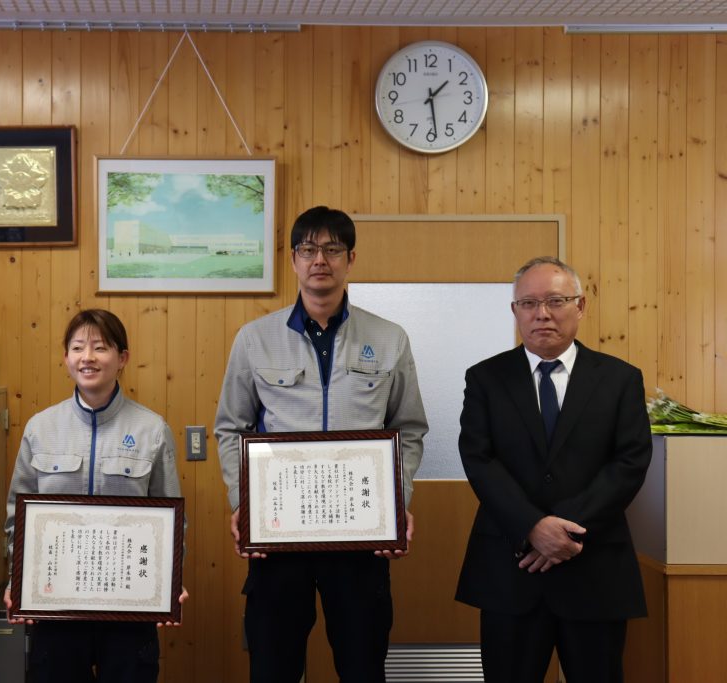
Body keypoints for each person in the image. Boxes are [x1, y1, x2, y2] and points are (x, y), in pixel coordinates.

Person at [214, 206, 428, 682]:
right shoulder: (255, 339)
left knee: (362, 665)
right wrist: (242, 500)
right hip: (278, 537)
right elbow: (231, 428)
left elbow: (409, 428)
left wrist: (398, 501)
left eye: (332, 249)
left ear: (350, 258)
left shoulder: (389, 338)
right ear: (293, 259)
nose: (320, 260)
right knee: (274, 666)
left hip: (360, 537)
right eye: (308, 249)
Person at [455, 256, 652, 683]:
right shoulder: (486, 378)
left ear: (580, 306)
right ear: (515, 312)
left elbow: (630, 461)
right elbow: (478, 457)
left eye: (555, 301)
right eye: (528, 303)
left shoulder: (620, 379)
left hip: (593, 567)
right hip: (511, 571)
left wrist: (564, 529)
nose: (541, 314)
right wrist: (531, 526)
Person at [3, 308, 187, 683]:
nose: (87, 357)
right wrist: (16, 580)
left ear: (122, 359)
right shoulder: (41, 428)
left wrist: (170, 581)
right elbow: (16, 520)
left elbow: (171, 518)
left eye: (100, 347)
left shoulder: (152, 429)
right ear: (66, 358)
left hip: (128, 609)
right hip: (56, 607)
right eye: (77, 348)